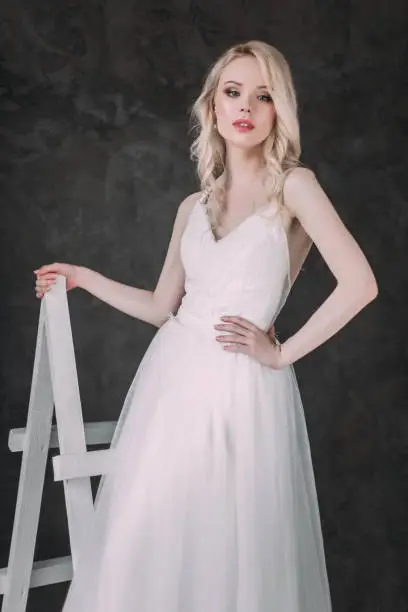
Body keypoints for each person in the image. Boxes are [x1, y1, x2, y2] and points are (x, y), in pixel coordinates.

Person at [34, 40, 378, 612]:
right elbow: (160, 305)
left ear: (278, 112)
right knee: (146, 538)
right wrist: (85, 278)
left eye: (263, 96)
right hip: (170, 390)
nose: (246, 106)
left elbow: (361, 284)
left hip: (244, 392)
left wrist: (282, 352)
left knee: (231, 550)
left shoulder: (294, 187)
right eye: (233, 91)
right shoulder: (192, 207)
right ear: (213, 106)